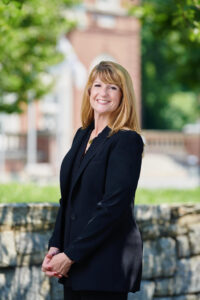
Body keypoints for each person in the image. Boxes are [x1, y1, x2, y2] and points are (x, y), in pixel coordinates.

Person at [42, 61, 144, 300]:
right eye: (97, 85)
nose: (103, 93)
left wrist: (69, 256)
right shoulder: (82, 135)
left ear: (123, 95)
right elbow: (68, 199)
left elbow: (113, 207)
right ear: (88, 91)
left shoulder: (126, 140)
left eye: (112, 87)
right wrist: (56, 246)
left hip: (105, 264)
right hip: (75, 264)